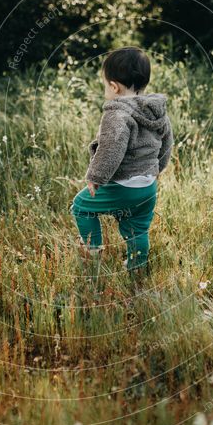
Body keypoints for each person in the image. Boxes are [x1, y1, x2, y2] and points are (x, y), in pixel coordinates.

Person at [70, 46, 173, 276]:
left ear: (114, 86)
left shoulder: (117, 114)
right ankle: (136, 269)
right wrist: (158, 168)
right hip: (147, 187)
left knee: (82, 207)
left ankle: (92, 254)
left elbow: (111, 148)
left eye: (105, 84)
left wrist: (96, 177)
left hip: (124, 186)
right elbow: (167, 143)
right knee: (137, 228)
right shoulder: (156, 112)